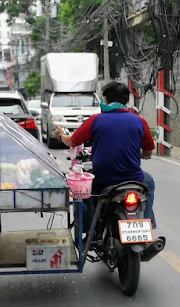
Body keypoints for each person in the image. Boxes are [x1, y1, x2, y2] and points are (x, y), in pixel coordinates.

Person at [55, 80, 157, 232]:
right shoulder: (139, 121)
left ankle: (88, 228)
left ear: (106, 100)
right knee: (149, 182)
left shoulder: (95, 120)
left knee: (84, 192)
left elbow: (71, 142)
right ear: (127, 101)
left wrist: (61, 135)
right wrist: (140, 154)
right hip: (133, 179)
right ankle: (149, 224)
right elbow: (148, 152)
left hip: (103, 180)